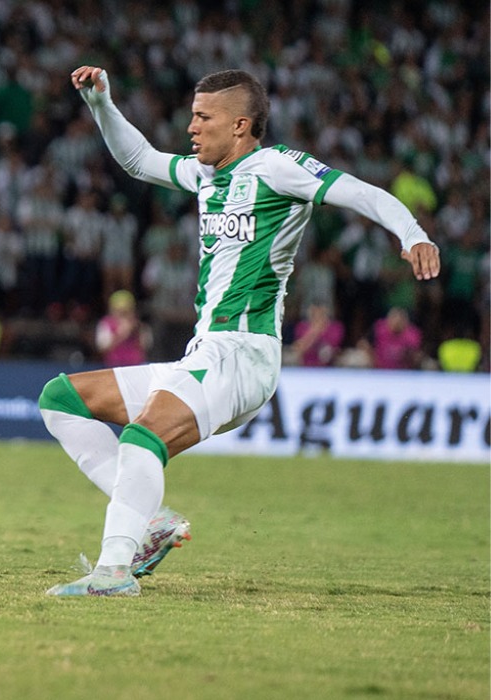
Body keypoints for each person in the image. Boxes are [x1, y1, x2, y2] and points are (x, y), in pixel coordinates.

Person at [39, 65, 440, 597]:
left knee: (143, 437)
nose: (192, 127)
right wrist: (101, 105)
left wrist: (412, 234)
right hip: (203, 354)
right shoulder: (204, 173)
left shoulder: (276, 167)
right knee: (60, 398)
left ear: (241, 125)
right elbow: (138, 160)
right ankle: (152, 523)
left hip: (244, 355)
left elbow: (364, 194)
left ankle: (113, 573)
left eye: (203, 117)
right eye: (192, 116)